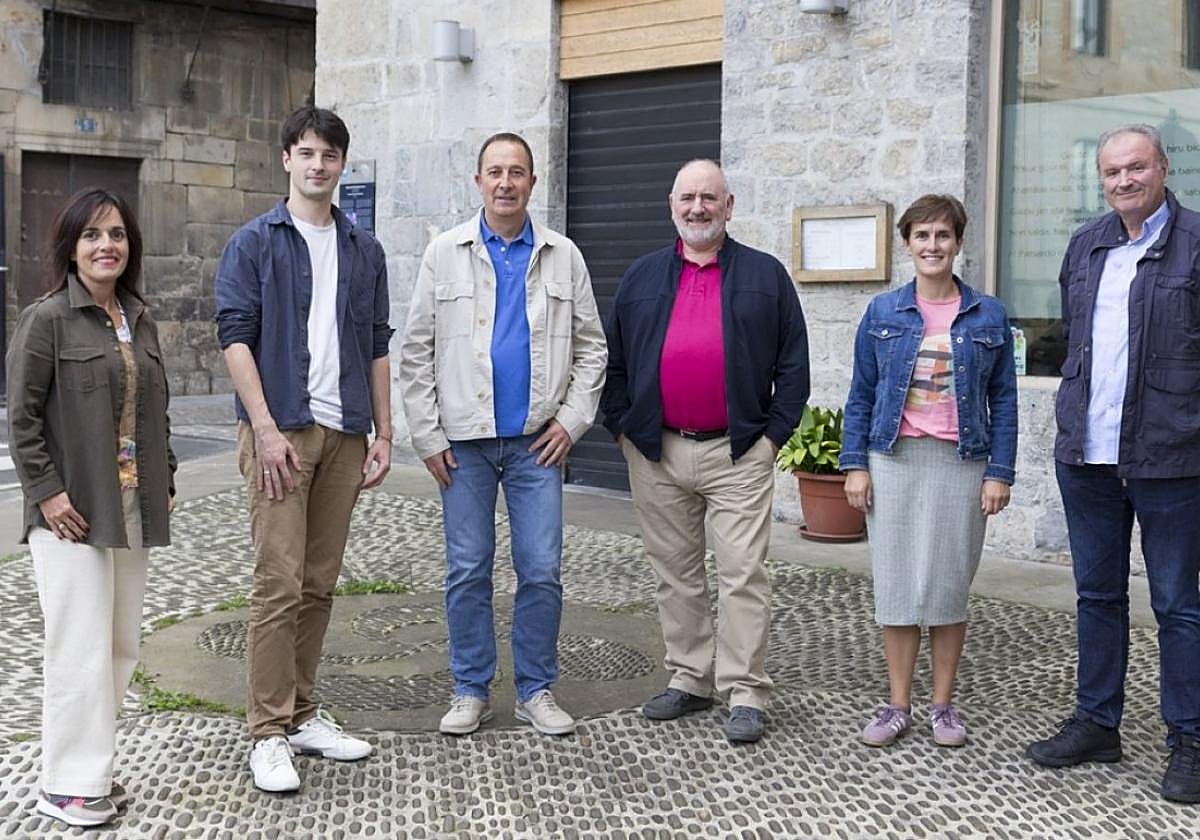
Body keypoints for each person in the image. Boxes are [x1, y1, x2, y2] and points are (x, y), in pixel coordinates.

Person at [399, 131, 607, 737]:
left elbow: (593, 349)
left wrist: (571, 421)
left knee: (541, 568)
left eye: (517, 172)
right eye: (495, 172)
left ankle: (535, 690)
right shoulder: (444, 253)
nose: (506, 183)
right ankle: (470, 689)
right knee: (468, 569)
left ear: (532, 183)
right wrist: (428, 437)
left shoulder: (563, 256)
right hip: (462, 445)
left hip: (536, 443)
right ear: (478, 181)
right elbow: (415, 350)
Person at [600, 159, 809, 744]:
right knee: (676, 573)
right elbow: (613, 363)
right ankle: (690, 678)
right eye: (688, 198)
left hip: (738, 452)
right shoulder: (641, 276)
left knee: (743, 573)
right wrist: (624, 432)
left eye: (709, 198)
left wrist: (771, 439)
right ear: (672, 206)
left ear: (729, 206)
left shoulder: (765, 275)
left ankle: (745, 690)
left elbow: (794, 366)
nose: (698, 208)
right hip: (657, 452)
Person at [215, 106, 393, 792]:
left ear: (342, 164)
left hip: (345, 432)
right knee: (278, 583)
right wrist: (263, 428)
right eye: (308, 153)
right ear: (287, 158)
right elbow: (235, 337)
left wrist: (384, 432)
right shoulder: (254, 242)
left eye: (330, 155)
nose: (319, 165)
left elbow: (376, 343)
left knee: (318, 584)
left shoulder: (364, 249)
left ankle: (302, 714)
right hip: (281, 433)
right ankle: (266, 732)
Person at [1025, 123, 1200, 803]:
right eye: (1112, 172)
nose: (1124, 180)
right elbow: (1077, 340)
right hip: (1088, 454)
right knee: (1097, 596)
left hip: (1172, 457)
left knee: (1178, 604)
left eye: (1136, 167)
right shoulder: (1086, 243)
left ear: (1163, 168)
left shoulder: (1195, 241)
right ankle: (1098, 723)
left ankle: (1190, 739)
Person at [7, 188, 176, 827]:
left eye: (117, 234)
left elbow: (156, 408)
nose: (107, 246)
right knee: (79, 646)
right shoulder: (46, 319)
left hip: (130, 504)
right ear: (71, 248)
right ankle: (66, 784)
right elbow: (21, 419)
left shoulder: (138, 318)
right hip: (71, 512)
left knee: (119, 645)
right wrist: (48, 494)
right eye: (92, 235)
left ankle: (92, 767)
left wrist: (167, 477)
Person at [840, 194, 1017, 749]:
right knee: (896, 586)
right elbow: (861, 394)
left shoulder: (988, 314)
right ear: (907, 244)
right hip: (893, 461)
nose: (932, 245)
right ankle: (898, 705)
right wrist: (855, 465)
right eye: (922, 235)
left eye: (943, 235)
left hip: (960, 465)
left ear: (958, 242)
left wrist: (999, 472)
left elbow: (1004, 400)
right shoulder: (882, 313)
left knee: (947, 586)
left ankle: (943, 706)